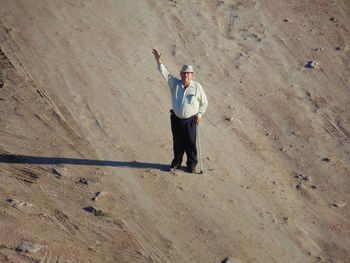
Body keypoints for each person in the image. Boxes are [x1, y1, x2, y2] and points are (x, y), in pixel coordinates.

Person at [152, 48, 208, 173]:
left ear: (192, 75)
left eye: (189, 73)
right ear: (180, 74)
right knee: (177, 143)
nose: (186, 75)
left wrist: (199, 115)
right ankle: (176, 163)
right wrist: (159, 61)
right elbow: (165, 73)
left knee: (191, 143)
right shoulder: (175, 83)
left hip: (190, 120)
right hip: (176, 119)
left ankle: (191, 165)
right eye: (184, 73)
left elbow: (204, 103)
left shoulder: (197, 87)